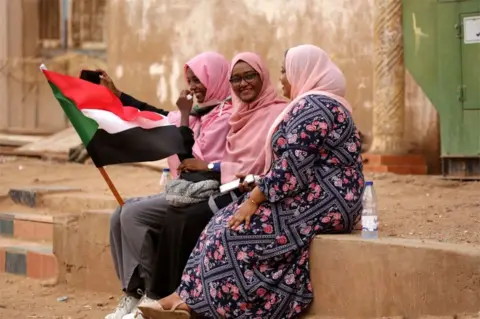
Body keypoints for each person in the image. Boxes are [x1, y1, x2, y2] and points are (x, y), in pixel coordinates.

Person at [139, 44, 364, 319]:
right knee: (219, 223)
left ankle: (209, 306)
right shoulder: (314, 103)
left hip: (326, 201)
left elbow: (292, 168)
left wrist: (254, 199)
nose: (282, 78)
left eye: (285, 71)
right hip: (311, 194)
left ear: (302, 71)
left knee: (234, 233)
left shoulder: (313, 107)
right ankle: (184, 297)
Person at [133, 52, 287, 318]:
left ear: (263, 76)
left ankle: (182, 298)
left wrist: (214, 168)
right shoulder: (239, 113)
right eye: (236, 79)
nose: (243, 84)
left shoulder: (276, 112)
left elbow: (261, 163)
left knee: (194, 217)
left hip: (259, 191)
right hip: (232, 186)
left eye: (249, 76)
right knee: (177, 215)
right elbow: (229, 160)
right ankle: (162, 295)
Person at [105, 51, 233, 319]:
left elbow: (188, 157)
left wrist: (185, 116)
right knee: (119, 212)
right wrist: (117, 95)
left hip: (205, 193)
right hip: (182, 192)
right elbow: (152, 114)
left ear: (217, 78)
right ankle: (132, 293)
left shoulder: (226, 116)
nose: (194, 87)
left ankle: (152, 293)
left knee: (133, 214)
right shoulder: (196, 113)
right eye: (190, 80)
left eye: (200, 79)